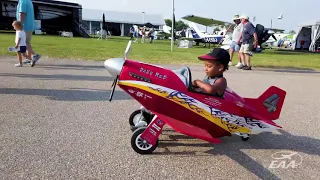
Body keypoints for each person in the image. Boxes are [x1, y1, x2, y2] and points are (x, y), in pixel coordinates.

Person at [16, 0, 41, 67]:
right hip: (30, 25)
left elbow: (22, 13)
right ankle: (29, 59)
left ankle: (35, 55)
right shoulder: (29, 1)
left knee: (23, 43)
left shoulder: (23, 1)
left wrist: (19, 25)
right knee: (27, 42)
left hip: (24, 26)